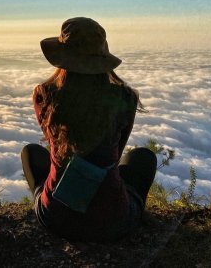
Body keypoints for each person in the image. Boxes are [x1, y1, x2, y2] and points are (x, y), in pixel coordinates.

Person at [21, 17, 157, 241]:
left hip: (56, 219)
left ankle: (53, 197)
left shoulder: (44, 95)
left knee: (32, 153)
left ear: (62, 57)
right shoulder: (125, 98)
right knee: (142, 158)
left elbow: (55, 144)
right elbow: (118, 148)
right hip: (113, 222)